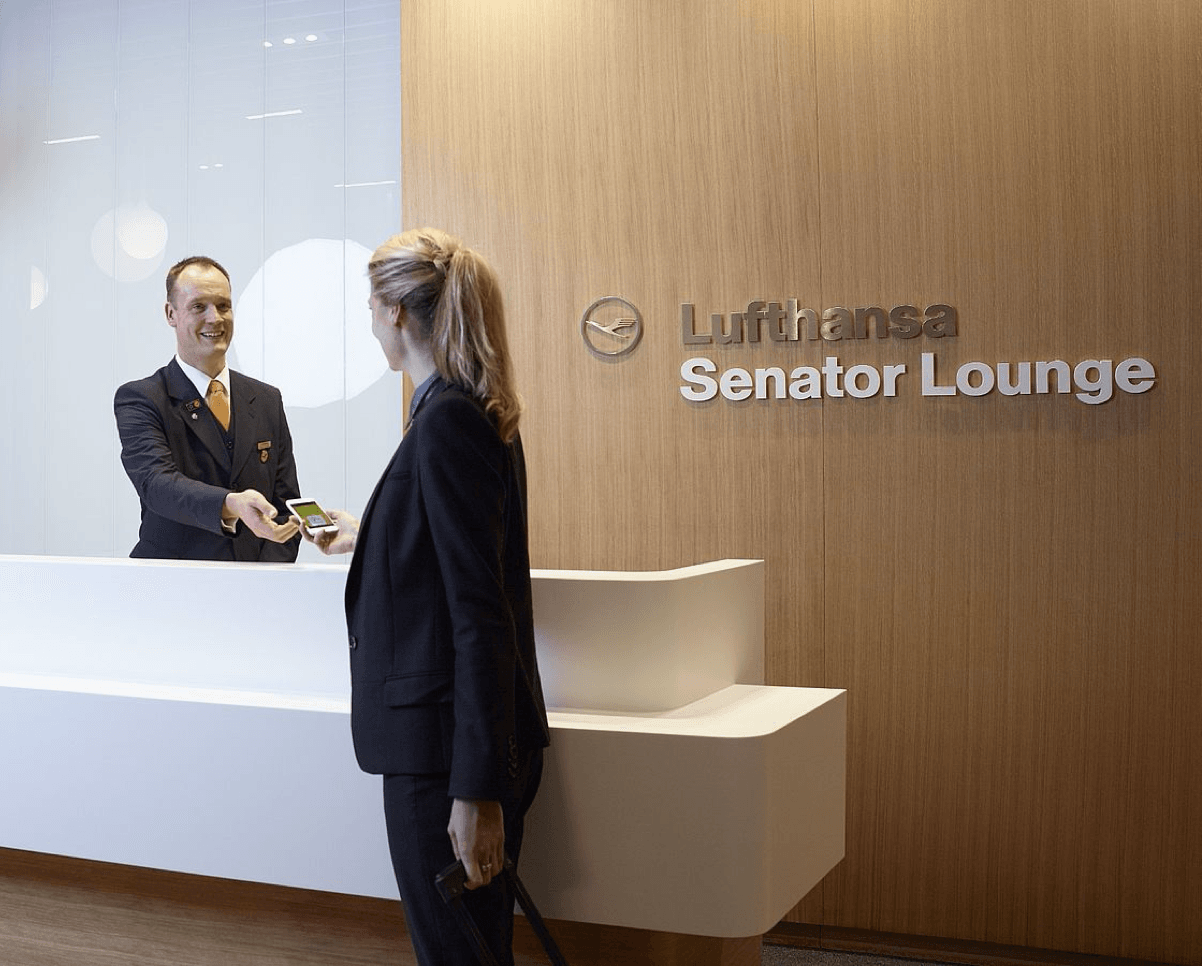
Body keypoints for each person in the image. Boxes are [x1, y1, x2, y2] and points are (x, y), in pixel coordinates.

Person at [302, 228, 549, 966]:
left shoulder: (447, 419)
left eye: (370, 309)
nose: (370, 323)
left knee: (459, 954)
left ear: (396, 313)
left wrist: (474, 794)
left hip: (447, 754)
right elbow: (455, 561)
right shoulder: (464, 407)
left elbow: (481, 615)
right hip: (449, 743)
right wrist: (372, 528)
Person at [114, 256, 301, 560]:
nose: (215, 318)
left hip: (255, 590)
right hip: (173, 586)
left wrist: (267, 581)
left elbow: (285, 505)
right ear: (170, 314)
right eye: (199, 306)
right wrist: (231, 504)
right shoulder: (141, 398)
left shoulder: (267, 399)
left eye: (223, 305)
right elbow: (157, 485)